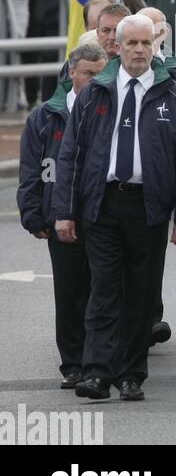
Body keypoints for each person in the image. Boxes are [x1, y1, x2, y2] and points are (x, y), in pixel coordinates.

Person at [52, 15, 176, 402]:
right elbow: (72, 155)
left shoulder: (173, 93)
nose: (138, 50)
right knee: (104, 288)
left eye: (145, 44)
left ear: (155, 46)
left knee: (141, 292)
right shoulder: (96, 90)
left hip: (149, 207)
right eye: (130, 43)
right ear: (116, 46)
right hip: (102, 205)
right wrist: (65, 211)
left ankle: (132, 373)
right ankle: (97, 372)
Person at [18, 43, 108, 390]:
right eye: (88, 73)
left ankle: (100, 360)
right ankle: (73, 362)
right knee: (70, 291)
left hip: (101, 214)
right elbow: (31, 170)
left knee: (103, 290)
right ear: (72, 73)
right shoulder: (45, 117)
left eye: (100, 74)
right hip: (60, 217)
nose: (94, 80)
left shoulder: (109, 109)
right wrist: (33, 214)